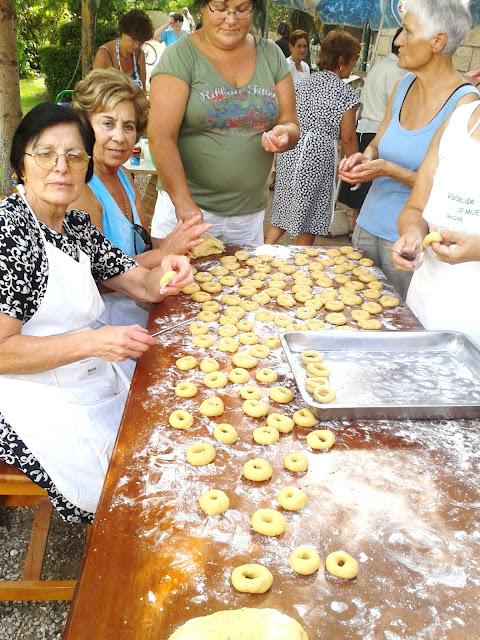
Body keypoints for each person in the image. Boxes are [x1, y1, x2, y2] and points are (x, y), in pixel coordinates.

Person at [0, 104, 191, 523]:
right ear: (21, 165)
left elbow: (138, 283)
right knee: (130, 488)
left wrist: (168, 274)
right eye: (45, 154)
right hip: (24, 397)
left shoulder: (76, 227)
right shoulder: (10, 234)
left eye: (73, 156)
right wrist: (91, 342)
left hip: (83, 372)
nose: (60, 167)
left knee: (158, 436)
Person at [70, 68, 209, 377]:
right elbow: (98, 279)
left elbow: (142, 242)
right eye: (107, 123)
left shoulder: (123, 175)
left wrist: (179, 242)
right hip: (106, 326)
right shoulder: (80, 190)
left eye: (129, 126)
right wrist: (164, 253)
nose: (120, 137)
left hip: (140, 301)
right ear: (84, 125)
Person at [338, 0, 479, 300]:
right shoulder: (404, 85)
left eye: (408, 32)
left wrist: (388, 170)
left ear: (437, 42)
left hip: (411, 244)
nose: (398, 40)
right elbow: (378, 142)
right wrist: (368, 158)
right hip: (368, 223)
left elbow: (450, 191)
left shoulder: (465, 104)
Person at [148, 0, 299, 246]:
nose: (231, 19)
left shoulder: (271, 54)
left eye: (241, 10)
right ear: (202, 7)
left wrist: (285, 134)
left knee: (244, 283)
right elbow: (160, 136)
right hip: (189, 212)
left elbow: (290, 121)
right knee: (179, 283)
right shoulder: (181, 55)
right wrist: (182, 202)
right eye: (219, 8)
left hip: (248, 215)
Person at [392, 99, 480, 344]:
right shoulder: (458, 121)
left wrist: (477, 250)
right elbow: (416, 207)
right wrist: (412, 236)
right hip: (425, 307)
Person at [265, 31, 360, 246]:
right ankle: (299, 267)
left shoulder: (305, 82)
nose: (354, 65)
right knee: (310, 216)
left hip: (291, 149)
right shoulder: (345, 94)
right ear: (342, 61)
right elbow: (348, 138)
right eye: (353, 59)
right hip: (316, 156)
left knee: (284, 208)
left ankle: (262, 252)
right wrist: (355, 168)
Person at [338, 27, 405, 232]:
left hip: (365, 127)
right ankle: (359, 229)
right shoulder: (397, 72)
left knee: (362, 189)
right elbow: (396, 109)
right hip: (377, 132)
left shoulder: (380, 65)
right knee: (368, 188)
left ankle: (355, 228)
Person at [93, 9, 153, 90]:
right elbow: (95, 93)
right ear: (123, 33)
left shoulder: (139, 54)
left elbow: (143, 90)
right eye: (134, 40)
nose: (137, 46)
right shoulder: (104, 55)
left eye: (141, 42)